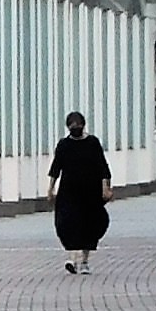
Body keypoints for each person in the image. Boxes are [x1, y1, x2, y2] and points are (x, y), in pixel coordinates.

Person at [48, 112, 111, 274]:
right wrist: (51, 188)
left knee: (89, 225)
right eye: (72, 125)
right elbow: (56, 168)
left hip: (90, 192)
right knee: (68, 224)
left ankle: (83, 260)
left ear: (83, 125)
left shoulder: (92, 143)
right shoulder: (63, 145)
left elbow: (102, 167)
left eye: (78, 125)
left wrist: (105, 187)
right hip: (68, 192)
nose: (75, 128)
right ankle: (73, 257)